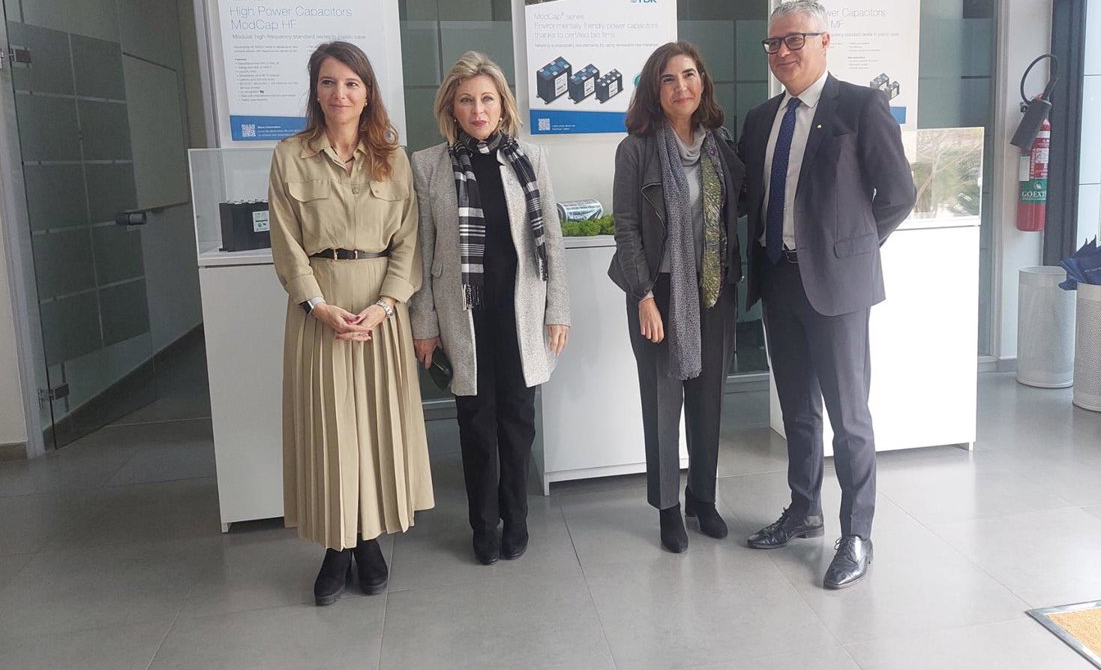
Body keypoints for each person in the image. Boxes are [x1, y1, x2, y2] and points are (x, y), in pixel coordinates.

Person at [740, 0, 915, 589]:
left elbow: (898, 194)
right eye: (774, 43)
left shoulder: (860, 106)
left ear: (824, 41)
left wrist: (848, 250)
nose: (783, 51)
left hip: (837, 287)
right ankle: (804, 509)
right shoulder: (760, 118)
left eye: (795, 39)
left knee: (849, 417)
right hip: (778, 279)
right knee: (797, 409)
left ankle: (858, 535)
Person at [268, 40, 434, 606]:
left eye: (351, 83)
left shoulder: (394, 158)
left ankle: (368, 542)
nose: (340, 93)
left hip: (380, 312)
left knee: (377, 429)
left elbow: (409, 242)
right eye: (328, 82)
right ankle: (338, 547)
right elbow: (286, 245)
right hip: (320, 314)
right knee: (329, 433)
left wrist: (386, 306)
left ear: (368, 94)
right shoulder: (289, 156)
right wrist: (317, 306)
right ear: (315, 92)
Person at [410, 51, 570, 565]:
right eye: (466, 100)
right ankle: (483, 524)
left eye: (487, 99)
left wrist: (558, 310)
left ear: (503, 104)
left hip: (520, 311)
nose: (478, 110)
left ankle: (516, 518)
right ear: (450, 108)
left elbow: (552, 241)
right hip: (464, 315)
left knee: (518, 420)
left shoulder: (530, 158)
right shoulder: (428, 165)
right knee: (476, 423)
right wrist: (424, 323)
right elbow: (422, 251)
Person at [609, 41, 744, 553]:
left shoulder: (720, 144)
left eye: (689, 75)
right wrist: (643, 295)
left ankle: (702, 498)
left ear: (702, 81)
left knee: (709, 400)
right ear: (655, 89)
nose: (681, 86)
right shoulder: (636, 149)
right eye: (669, 79)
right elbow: (626, 228)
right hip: (658, 289)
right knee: (663, 402)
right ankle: (668, 507)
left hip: (713, 287)